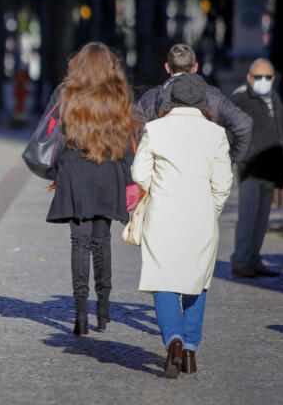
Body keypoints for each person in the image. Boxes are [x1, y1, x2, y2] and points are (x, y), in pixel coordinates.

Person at [132, 72, 233, 378]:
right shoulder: (215, 134)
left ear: (172, 99)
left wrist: (158, 188)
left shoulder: (155, 129)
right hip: (201, 216)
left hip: (163, 215)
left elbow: (139, 173)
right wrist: (212, 208)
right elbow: (223, 183)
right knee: (197, 280)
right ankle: (190, 348)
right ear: (203, 102)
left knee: (163, 280)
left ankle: (172, 339)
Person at [43, 42, 141, 336]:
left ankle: (79, 314)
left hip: (75, 171)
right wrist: (130, 181)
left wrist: (55, 172)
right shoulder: (120, 95)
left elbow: (51, 133)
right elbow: (128, 140)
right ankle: (103, 308)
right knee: (102, 240)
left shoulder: (67, 94)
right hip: (109, 171)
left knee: (79, 242)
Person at [229, 58, 283, 278]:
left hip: (271, 168)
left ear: (273, 78)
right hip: (250, 168)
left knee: (262, 219)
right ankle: (240, 260)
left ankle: (254, 259)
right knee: (248, 216)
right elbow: (229, 131)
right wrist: (240, 155)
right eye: (259, 77)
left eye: (267, 77)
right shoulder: (240, 99)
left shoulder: (275, 99)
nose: (263, 81)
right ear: (249, 78)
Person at [138, 44, 252, 163]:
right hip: (204, 173)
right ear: (196, 67)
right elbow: (244, 125)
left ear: (167, 67)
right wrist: (229, 161)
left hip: (163, 174)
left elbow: (138, 137)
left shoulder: (150, 98)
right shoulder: (212, 95)